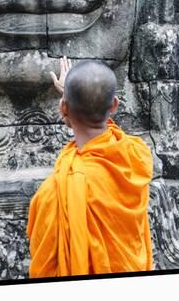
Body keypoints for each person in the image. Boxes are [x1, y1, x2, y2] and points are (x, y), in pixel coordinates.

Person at [26, 56, 154, 277]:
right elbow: (105, 128)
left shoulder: (52, 194)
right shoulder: (136, 157)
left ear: (63, 108)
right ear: (114, 105)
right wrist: (75, 97)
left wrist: (70, 98)